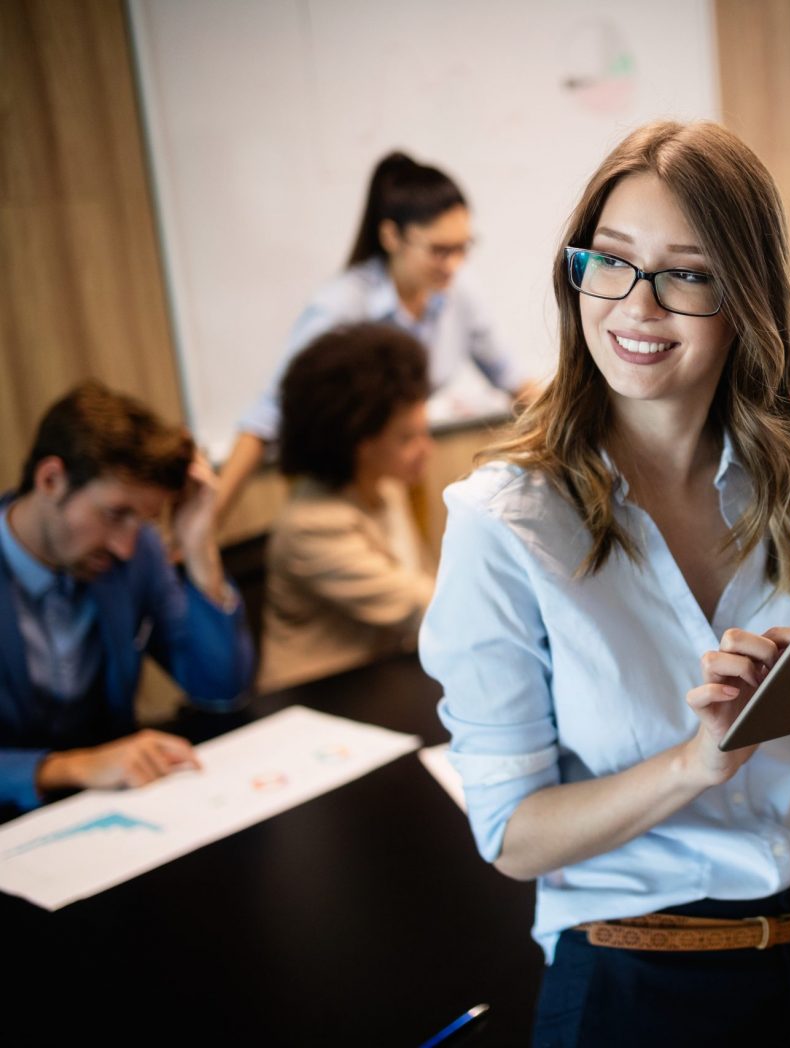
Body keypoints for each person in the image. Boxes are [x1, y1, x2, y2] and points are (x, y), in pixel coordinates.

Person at [421, 121, 790, 1046]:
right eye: (612, 262)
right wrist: (693, 765)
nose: (637, 308)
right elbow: (513, 836)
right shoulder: (503, 522)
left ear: (745, 296)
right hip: (643, 977)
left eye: (686, 273)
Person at [214, 150, 535, 523]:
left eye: (463, 248)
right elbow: (267, 415)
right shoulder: (341, 306)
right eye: (439, 250)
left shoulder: (459, 290)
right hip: (337, 483)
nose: (454, 264)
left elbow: (513, 378)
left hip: (400, 466)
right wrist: (211, 519)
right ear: (390, 236)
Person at [0, 382, 255, 815]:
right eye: (115, 514)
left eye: (143, 521)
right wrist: (68, 768)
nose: (125, 547)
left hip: (118, 811)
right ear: (51, 480)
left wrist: (199, 547)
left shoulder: (137, 554)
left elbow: (221, 688)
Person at [257, 323, 436, 691]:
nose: (426, 449)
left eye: (424, 430)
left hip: (382, 685)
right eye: (407, 438)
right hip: (317, 702)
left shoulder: (387, 487)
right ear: (359, 443)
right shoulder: (311, 526)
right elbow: (417, 605)